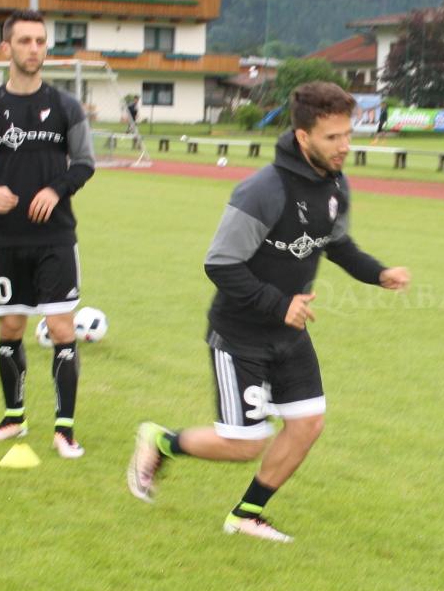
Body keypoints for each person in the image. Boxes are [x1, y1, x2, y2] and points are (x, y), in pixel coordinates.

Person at [126, 81, 411, 542]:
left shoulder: (335, 184)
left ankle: (246, 515)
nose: (345, 145)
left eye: (347, 134)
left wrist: (378, 273)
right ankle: (161, 442)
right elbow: (220, 264)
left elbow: (336, 243)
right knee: (244, 444)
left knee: (308, 424)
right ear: (303, 137)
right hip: (240, 335)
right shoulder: (263, 190)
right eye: (333, 137)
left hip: (289, 331)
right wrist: (280, 305)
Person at [0, 10, 96, 456]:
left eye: (40, 41)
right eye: (25, 41)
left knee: (61, 328)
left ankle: (64, 430)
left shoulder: (67, 107)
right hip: (7, 239)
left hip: (56, 238)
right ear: (6, 49)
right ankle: (13, 419)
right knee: (11, 326)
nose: (34, 49)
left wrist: (57, 189)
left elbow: (85, 163)